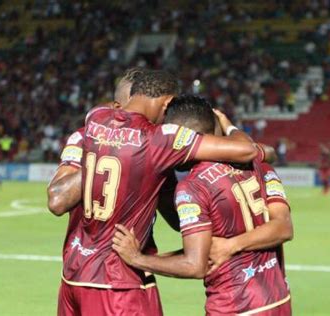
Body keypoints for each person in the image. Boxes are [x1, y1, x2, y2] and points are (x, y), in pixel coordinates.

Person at [59, 70, 262, 315]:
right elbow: (246, 151)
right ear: (166, 103)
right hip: (118, 281)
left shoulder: (96, 118)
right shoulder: (159, 139)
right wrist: (230, 128)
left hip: (74, 273)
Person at [113, 95, 293, 315]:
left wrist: (138, 259)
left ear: (186, 138)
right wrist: (231, 128)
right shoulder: (259, 165)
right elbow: (283, 227)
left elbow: (194, 264)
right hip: (277, 300)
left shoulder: (193, 187)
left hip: (234, 304)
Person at [49, 67, 175, 316]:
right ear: (117, 108)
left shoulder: (153, 147)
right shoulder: (83, 139)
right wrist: (113, 153)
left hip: (98, 274)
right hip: (117, 282)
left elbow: (177, 221)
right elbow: (57, 200)